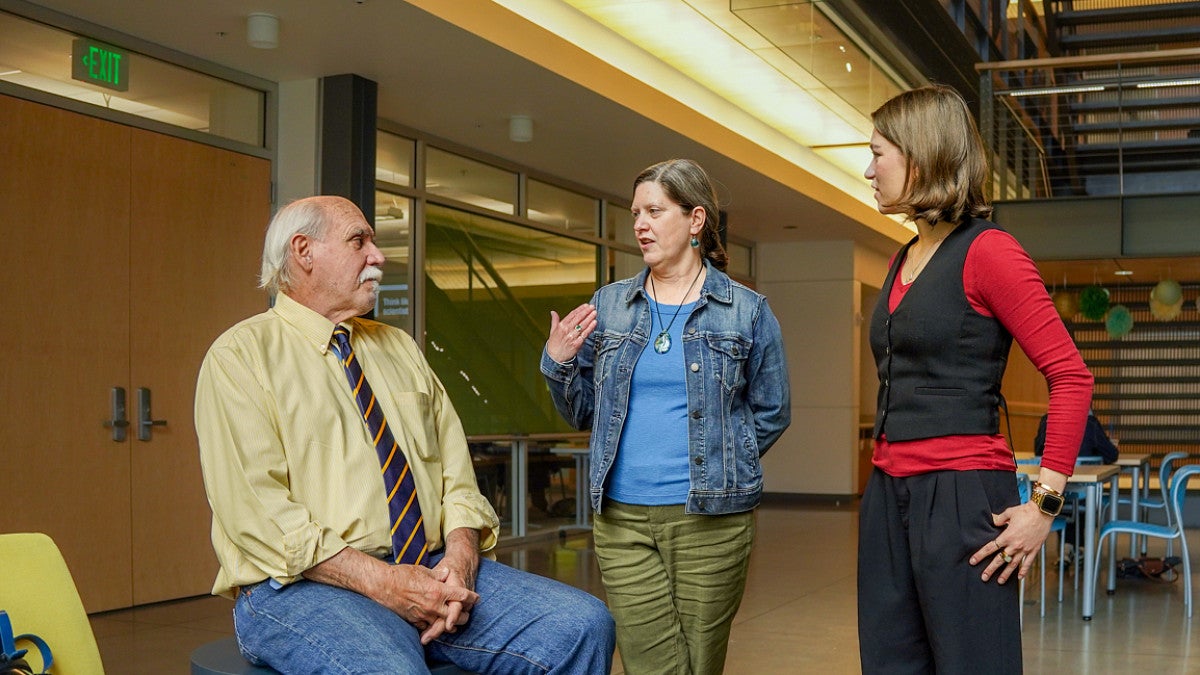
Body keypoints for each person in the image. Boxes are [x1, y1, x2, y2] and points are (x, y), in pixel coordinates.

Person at [195, 195, 614, 675]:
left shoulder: (399, 348)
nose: (378, 255)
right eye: (360, 241)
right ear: (303, 252)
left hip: (431, 564)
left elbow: (456, 478)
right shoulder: (240, 358)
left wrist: (459, 560)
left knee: (583, 624)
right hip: (299, 586)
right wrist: (385, 582)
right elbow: (261, 515)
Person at [859, 85, 1094, 674]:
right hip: (890, 491)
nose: (868, 170)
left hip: (961, 496)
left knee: (972, 663)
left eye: (878, 153)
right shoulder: (904, 255)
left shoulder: (989, 252)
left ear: (921, 156)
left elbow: (1070, 376)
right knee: (890, 661)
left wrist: (1044, 504)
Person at [541, 159, 791, 675]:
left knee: (698, 663)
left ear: (696, 219)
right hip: (621, 519)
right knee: (646, 661)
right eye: (636, 212)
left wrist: (724, 459)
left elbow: (773, 409)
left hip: (711, 520)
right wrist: (559, 362)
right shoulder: (609, 306)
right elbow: (584, 412)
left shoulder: (745, 310)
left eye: (655, 210)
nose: (640, 224)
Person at [1035, 409, 1118, 464]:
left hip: (1051, 484)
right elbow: (1111, 456)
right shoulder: (1090, 423)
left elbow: (1038, 452)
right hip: (1085, 485)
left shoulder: (1047, 420)